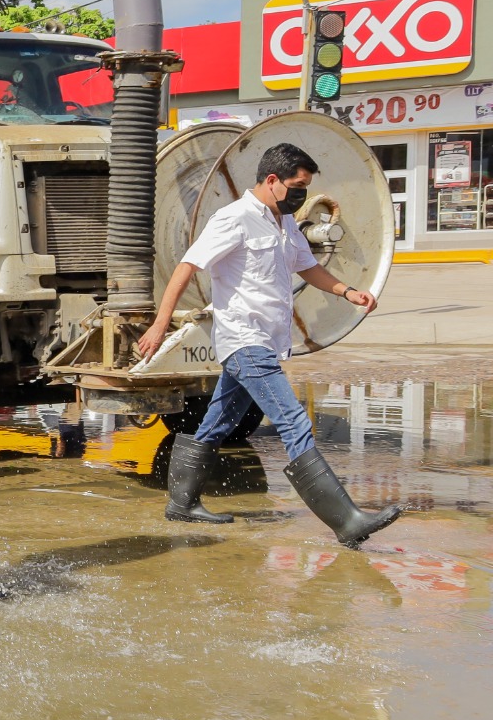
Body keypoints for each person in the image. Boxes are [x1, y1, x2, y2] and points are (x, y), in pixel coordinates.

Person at [137, 142, 403, 548]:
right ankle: (346, 521)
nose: (302, 194)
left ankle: (182, 503)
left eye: (307, 187)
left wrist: (348, 291)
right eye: (297, 186)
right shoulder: (234, 218)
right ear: (272, 180)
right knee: (293, 422)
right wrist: (159, 326)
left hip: (265, 339)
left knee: (218, 422)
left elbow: (308, 267)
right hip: (245, 339)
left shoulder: (285, 223)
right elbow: (187, 266)